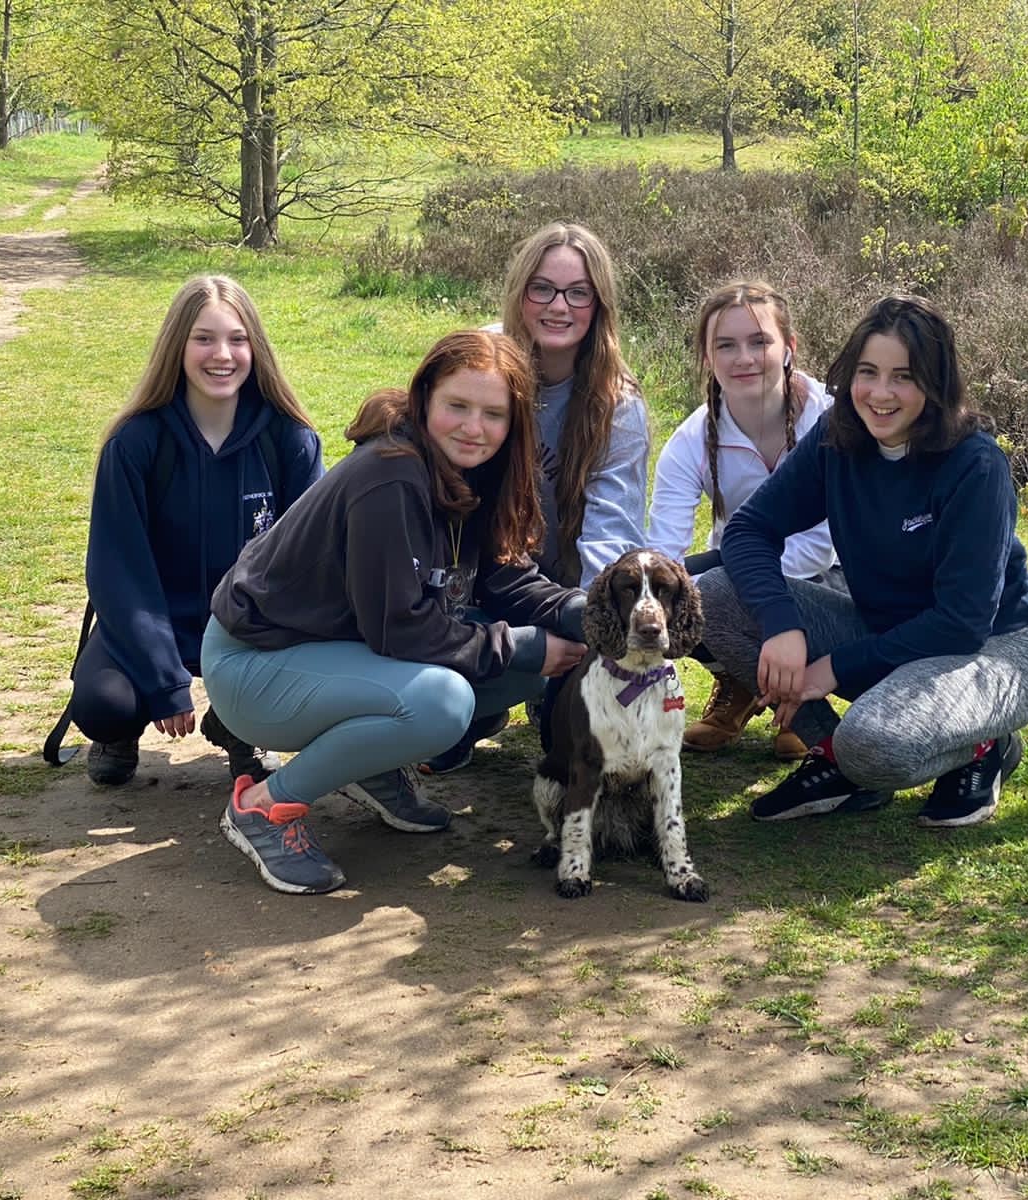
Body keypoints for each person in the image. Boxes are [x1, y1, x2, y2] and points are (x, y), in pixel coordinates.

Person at [202, 330, 588, 894]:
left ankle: (372, 766)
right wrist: (526, 643)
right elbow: (399, 629)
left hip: (336, 650)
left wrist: (577, 611)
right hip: (254, 665)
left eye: (493, 414)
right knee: (444, 700)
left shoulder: (480, 469)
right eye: (457, 406)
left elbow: (507, 575)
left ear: (515, 422)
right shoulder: (390, 473)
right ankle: (264, 807)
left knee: (522, 662)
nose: (473, 428)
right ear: (425, 396)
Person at [697, 293, 1028, 827]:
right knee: (715, 595)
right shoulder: (839, 439)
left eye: (903, 377)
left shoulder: (976, 465)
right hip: (883, 630)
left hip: (990, 652)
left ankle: (986, 744)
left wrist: (833, 669)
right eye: (868, 372)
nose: (880, 394)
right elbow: (749, 530)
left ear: (935, 383)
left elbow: (962, 622)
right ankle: (835, 760)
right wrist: (782, 626)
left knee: (873, 742)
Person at [73, 275, 322, 787]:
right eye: (204, 339)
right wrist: (164, 681)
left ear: (255, 347)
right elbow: (118, 571)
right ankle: (121, 729)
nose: (222, 355)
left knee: (315, 680)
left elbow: (312, 566)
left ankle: (236, 724)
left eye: (236, 338)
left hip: (250, 624)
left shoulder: (290, 440)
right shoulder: (135, 443)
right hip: (159, 615)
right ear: (177, 347)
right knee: (104, 705)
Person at [421, 221, 649, 774]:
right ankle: (474, 714)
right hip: (472, 573)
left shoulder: (616, 406)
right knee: (444, 680)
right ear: (520, 292)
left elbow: (611, 531)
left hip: (555, 586)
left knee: (570, 740)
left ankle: (538, 690)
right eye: (542, 289)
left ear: (599, 304)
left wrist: (593, 623)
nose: (559, 307)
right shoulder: (485, 360)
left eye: (578, 293)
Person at [646, 280, 842, 762]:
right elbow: (662, 553)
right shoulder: (692, 439)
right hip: (740, 575)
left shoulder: (836, 420)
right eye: (726, 346)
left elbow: (819, 545)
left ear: (789, 348)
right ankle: (739, 682)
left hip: (834, 578)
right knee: (671, 590)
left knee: (724, 584)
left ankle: (801, 706)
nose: (744, 358)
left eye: (760, 342)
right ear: (707, 358)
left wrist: (750, 582)